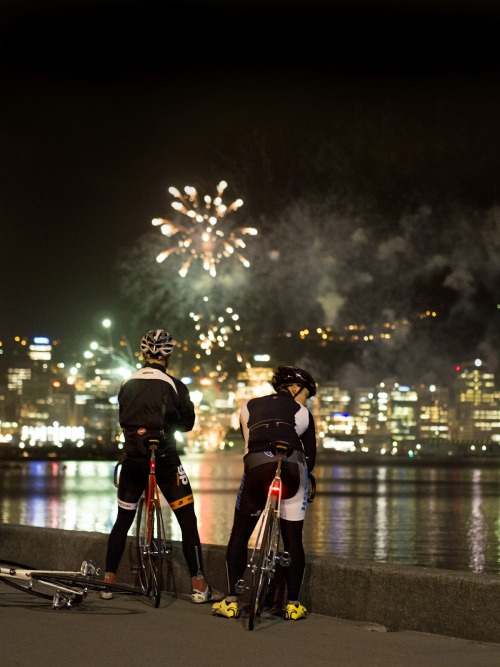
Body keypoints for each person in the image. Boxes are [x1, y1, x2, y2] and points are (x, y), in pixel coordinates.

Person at [101, 328, 213, 603]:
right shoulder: (174, 384)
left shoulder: (127, 384)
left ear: (142, 354)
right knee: (188, 520)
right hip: (164, 460)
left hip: (133, 461)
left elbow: (123, 419)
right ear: (168, 355)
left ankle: (108, 581)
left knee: (122, 521)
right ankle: (198, 584)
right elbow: (187, 424)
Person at [212, 365, 317, 621]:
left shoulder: (248, 406)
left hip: (257, 471)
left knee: (240, 533)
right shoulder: (302, 412)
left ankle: (231, 600)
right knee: (293, 540)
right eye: (306, 394)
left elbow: (249, 447)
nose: (306, 400)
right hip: (291, 472)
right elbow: (310, 457)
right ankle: (293, 604)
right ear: (294, 388)